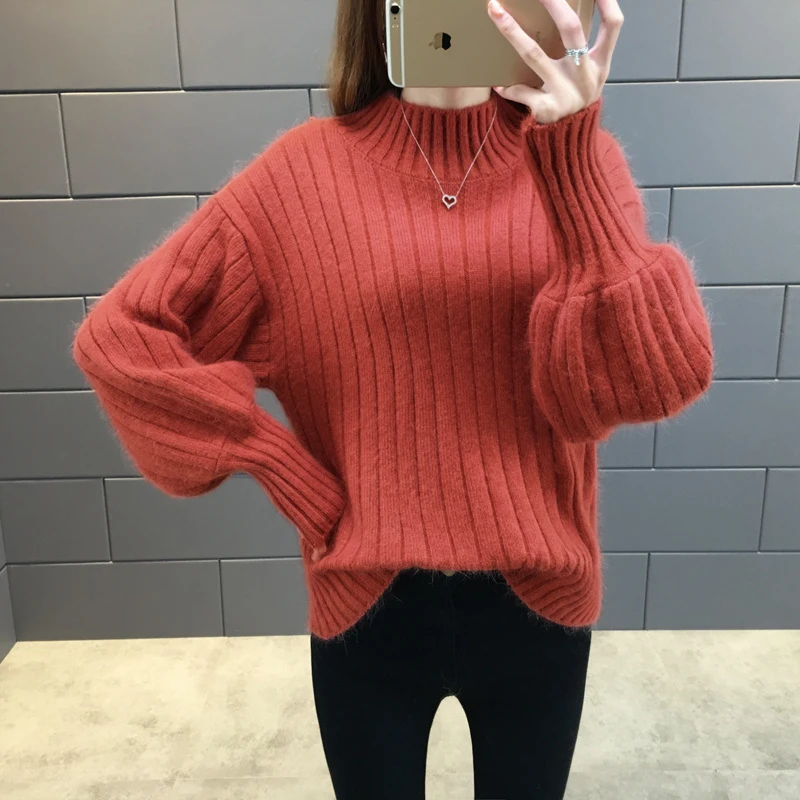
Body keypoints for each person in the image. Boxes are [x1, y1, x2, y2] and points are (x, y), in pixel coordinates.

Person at [72, 0, 714, 797]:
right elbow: (121, 339)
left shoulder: (582, 165)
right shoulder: (298, 178)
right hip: (367, 606)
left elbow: (648, 382)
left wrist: (572, 162)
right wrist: (275, 462)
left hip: (539, 600)